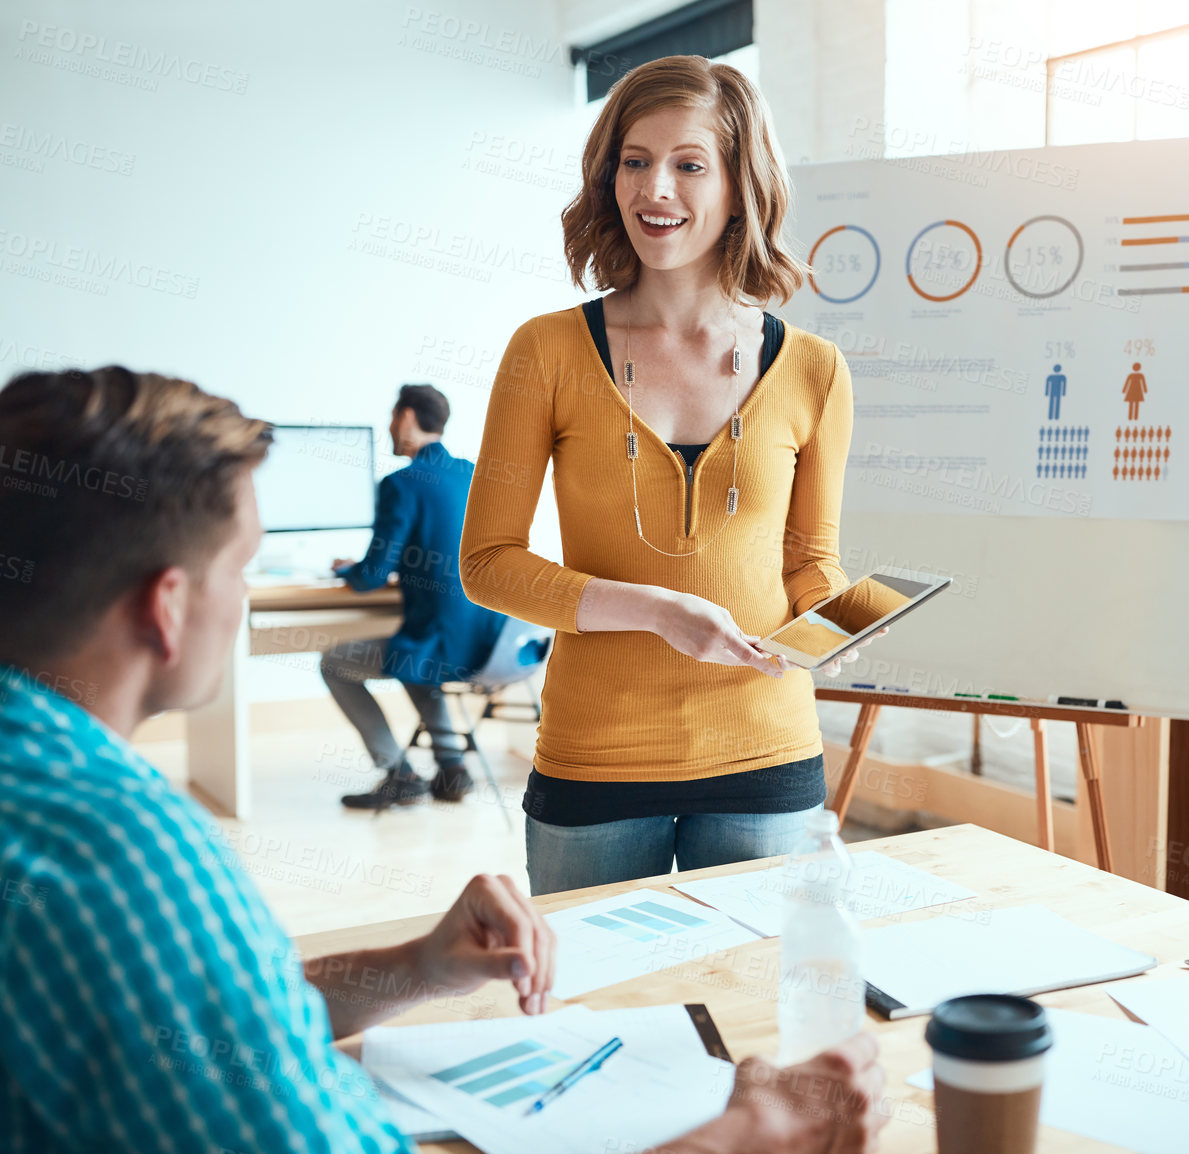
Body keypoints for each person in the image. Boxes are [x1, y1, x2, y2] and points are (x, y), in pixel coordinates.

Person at [0, 366, 888, 1152]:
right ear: (168, 606)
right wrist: (747, 1134)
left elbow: (207, 1013)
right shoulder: (123, 856)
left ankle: (406, 761)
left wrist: (414, 968)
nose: (240, 596)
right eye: (241, 569)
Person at [460, 56, 873, 894]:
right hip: (596, 756)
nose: (656, 190)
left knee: (760, 1009)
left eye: (689, 164)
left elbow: (807, 563)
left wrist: (843, 622)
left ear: (739, 182)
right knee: (598, 1011)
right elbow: (487, 562)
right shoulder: (544, 351)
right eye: (635, 160)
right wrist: (655, 611)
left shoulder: (815, 369)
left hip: (767, 753)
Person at [322, 383, 505, 810]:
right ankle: (453, 767)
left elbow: (370, 577)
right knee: (415, 652)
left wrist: (346, 569)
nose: (389, 426)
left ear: (405, 417)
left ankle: (398, 771)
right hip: (494, 642)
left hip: (444, 645)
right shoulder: (472, 472)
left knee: (335, 663)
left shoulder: (400, 484)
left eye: (392, 416)